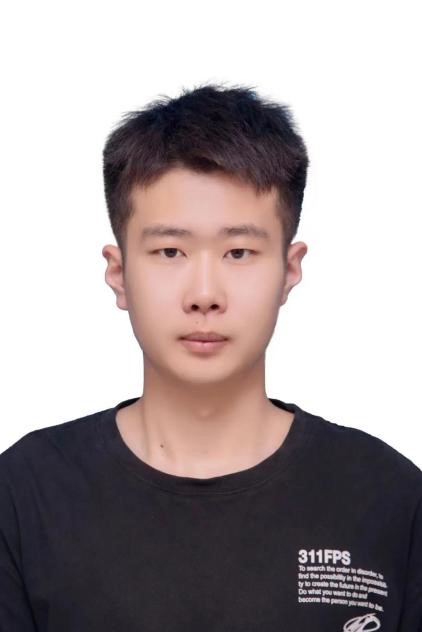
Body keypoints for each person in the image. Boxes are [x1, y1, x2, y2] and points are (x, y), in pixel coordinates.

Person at [0, 83, 421, 632]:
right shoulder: (25, 494)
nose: (204, 294)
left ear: (289, 269)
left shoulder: (389, 496)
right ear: (119, 273)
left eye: (238, 252)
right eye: (169, 251)